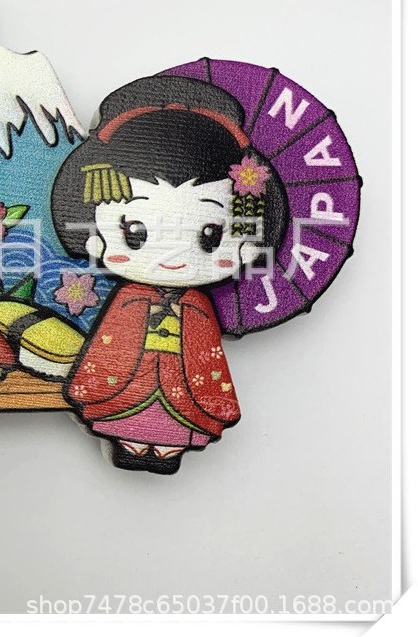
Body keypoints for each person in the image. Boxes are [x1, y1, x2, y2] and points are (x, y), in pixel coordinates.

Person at [51, 75, 287, 473]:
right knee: (127, 399)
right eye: (135, 233)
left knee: (180, 408)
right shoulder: (129, 297)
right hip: (131, 376)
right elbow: (112, 345)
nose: (173, 259)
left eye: (211, 236)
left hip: (182, 379)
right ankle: (130, 439)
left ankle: (165, 447)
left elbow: (203, 355)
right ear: (93, 235)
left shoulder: (196, 304)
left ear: (245, 242)